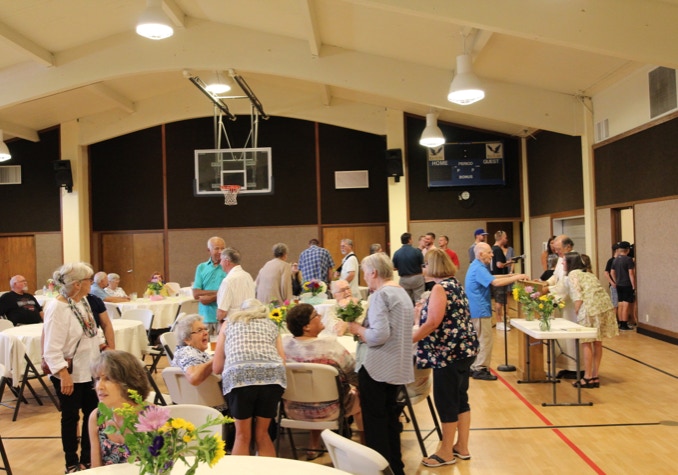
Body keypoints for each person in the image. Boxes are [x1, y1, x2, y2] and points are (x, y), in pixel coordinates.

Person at [347, 253, 413, 475]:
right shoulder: (402, 293)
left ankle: (379, 470)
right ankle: (395, 468)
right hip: (395, 366)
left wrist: (357, 329)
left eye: (365, 273)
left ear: (374, 272)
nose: (365, 277)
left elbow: (378, 335)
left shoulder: (380, 295)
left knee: (375, 425)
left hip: (376, 367)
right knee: (391, 421)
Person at [413, 249, 478, 467]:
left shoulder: (440, 288)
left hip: (448, 353)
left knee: (446, 400)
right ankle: (462, 446)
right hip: (464, 350)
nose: (423, 269)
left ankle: (445, 451)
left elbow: (433, 322)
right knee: (460, 398)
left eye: (425, 264)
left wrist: (410, 339)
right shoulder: (454, 284)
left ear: (433, 266)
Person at [283, 303, 363, 460]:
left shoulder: (284, 346)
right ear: (306, 327)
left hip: (293, 410)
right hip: (331, 409)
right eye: (316, 315)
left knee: (312, 392)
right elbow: (353, 374)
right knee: (362, 395)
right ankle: (364, 446)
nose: (320, 316)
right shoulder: (330, 347)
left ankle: (314, 444)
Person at [43, 262, 102, 473]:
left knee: (92, 414)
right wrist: (63, 375)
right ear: (77, 284)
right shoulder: (57, 308)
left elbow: (91, 331)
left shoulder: (82, 300)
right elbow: (51, 347)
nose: (91, 283)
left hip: (90, 370)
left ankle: (88, 459)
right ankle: (71, 462)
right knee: (70, 417)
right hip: (69, 373)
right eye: (89, 280)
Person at [212, 299, 286, 457]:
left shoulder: (229, 324)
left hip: (239, 377)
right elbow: (282, 361)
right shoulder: (272, 325)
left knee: (242, 436)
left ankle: (242, 469)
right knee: (263, 434)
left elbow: (217, 367)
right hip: (272, 377)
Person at [465, 243, 529, 381]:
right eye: (489, 252)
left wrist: (510, 275)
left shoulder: (476, 265)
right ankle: (480, 368)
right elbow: (495, 283)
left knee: (481, 339)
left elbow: (492, 277)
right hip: (479, 309)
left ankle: (476, 366)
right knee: (485, 340)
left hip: (477, 309)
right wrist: (517, 277)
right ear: (481, 254)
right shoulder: (479, 268)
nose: (492, 255)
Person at [88, 350, 151, 467]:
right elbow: (96, 469)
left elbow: (167, 466)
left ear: (128, 382)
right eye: (97, 379)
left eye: (107, 379)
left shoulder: (153, 416)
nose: (99, 386)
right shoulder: (97, 417)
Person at [564, 252, 619, 388]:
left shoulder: (573, 274)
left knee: (587, 342)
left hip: (590, 309)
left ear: (570, 263)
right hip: (604, 307)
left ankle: (587, 377)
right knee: (597, 342)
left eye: (564, 261)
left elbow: (577, 296)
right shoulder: (589, 274)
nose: (562, 263)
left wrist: (577, 312)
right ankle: (595, 376)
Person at [193, 236, 228, 335]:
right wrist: (219, 293)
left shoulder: (228, 267)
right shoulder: (201, 267)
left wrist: (210, 298)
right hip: (205, 318)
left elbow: (232, 291)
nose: (220, 251)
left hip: (224, 317)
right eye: (217, 248)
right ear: (209, 250)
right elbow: (196, 294)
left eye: (223, 248)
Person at [171, 314, 216, 386]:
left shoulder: (196, 351)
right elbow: (193, 377)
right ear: (187, 339)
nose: (206, 333)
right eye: (199, 330)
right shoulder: (185, 352)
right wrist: (217, 359)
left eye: (205, 329)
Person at [216, 248, 255, 326]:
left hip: (233, 325)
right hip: (249, 322)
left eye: (221, 260)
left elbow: (222, 311)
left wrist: (218, 319)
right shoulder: (248, 276)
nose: (220, 263)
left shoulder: (228, 281)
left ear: (227, 262)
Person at [392, 232, 425, 304]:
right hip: (417, 278)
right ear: (409, 240)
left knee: (406, 301)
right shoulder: (417, 252)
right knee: (419, 300)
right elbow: (422, 265)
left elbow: (394, 268)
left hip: (404, 279)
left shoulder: (397, 253)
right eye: (411, 239)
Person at [611, 241, 636, 331]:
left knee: (620, 303)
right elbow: (631, 273)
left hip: (619, 284)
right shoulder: (628, 259)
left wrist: (616, 281)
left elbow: (612, 272)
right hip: (627, 284)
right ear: (627, 250)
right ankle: (625, 324)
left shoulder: (615, 259)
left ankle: (621, 323)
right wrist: (633, 285)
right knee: (626, 304)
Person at [491, 231, 511, 331]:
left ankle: (500, 320)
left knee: (499, 300)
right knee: (499, 301)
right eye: (505, 237)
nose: (506, 239)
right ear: (501, 238)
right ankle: (499, 322)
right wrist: (508, 263)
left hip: (496, 277)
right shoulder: (498, 250)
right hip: (499, 278)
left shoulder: (493, 248)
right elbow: (499, 265)